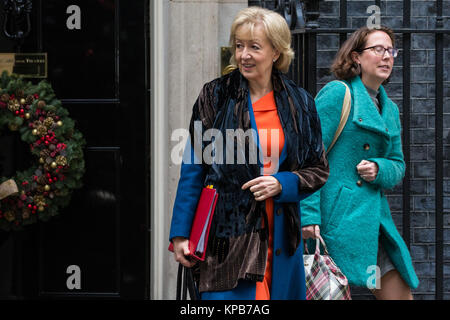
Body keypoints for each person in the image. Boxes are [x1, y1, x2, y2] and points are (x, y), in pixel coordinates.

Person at [169, 6, 329, 300]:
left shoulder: (300, 102)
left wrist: (283, 183)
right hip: (226, 240)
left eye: (254, 47)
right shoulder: (215, 96)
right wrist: (181, 233)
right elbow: (193, 167)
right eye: (239, 46)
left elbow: (318, 169)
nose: (244, 55)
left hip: (281, 238)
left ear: (276, 52)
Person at [301, 26, 419, 300]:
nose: (387, 56)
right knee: (330, 293)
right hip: (335, 221)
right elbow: (308, 154)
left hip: (373, 224)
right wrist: (308, 216)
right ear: (356, 57)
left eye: (391, 51)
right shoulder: (338, 94)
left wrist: (379, 168)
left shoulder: (389, 110)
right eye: (378, 49)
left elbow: (397, 164)